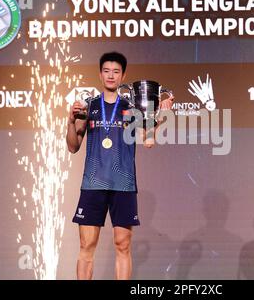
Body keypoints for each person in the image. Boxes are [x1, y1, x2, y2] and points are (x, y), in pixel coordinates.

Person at [66, 51, 174, 280]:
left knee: (122, 245)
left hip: (123, 185)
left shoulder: (132, 107)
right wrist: (69, 121)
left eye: (116, 71)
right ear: (100, 74)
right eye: (106, 71)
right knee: (87, 245)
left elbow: (148, 141)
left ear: (123, 75)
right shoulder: (88, 106)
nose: (111, 76)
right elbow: (73, 146)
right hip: (93, 184)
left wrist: (161, 116)